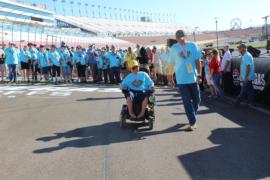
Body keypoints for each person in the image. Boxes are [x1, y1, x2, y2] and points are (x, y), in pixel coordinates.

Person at [168, 30, 202, 131]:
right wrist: (170, 77)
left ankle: (192, 115)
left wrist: (199, 75)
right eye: (178, 37)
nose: (180, 39)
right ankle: (192, 122)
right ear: (176, 38)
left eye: (182, 37)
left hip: (193, 78)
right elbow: (171, 63)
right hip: (181, 80)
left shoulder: (193, 45)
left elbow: (198, 61)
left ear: (185, 36)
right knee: (187, 101)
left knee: (197, 99)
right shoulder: (174, 48)